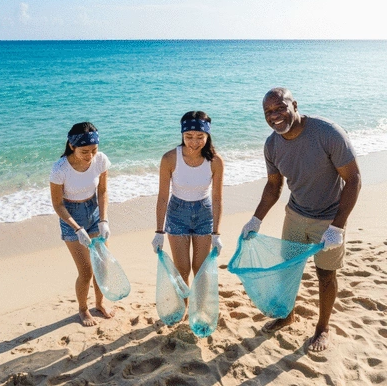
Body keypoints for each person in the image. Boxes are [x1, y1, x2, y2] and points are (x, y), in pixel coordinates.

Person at [241, 87, 361, 351]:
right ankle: (287, 315)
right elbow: (274, 186)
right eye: (268, 112)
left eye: (280, 107)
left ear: (294, 104)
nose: (274, 116)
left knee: (325, 275)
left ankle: (322, 328)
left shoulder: (327, 133)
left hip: (329, 218)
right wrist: (256, 220)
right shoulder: (272, 145)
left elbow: (353, 179)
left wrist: (337, 227)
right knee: (288, 269)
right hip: (295, 214)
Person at [152, 111, 224, 305]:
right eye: (188, 137)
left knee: (200, 269)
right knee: (181, 269)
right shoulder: (169, 159)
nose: (194, 142)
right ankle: (183, 306)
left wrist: (217, 233)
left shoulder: (216, 161)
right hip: (177, 214)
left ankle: (198, 307)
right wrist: (159, 231)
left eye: (200, 137)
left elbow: (217, 199)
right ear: (182, 135)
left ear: (207, 136)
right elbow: (162, 197)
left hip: (204, 213)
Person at [50, 122, 114, 326]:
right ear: (71, 145)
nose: (90, 156)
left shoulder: (101, 160)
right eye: (85, 151)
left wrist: (104, 219)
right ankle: (83, 309)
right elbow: (58, 204)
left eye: (94, 150)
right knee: (86, 271)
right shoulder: (60, 169)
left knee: (102, 265)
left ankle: (99, 303)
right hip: (71, 216)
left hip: (94, 212)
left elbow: (102, 191)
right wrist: (77, 228)